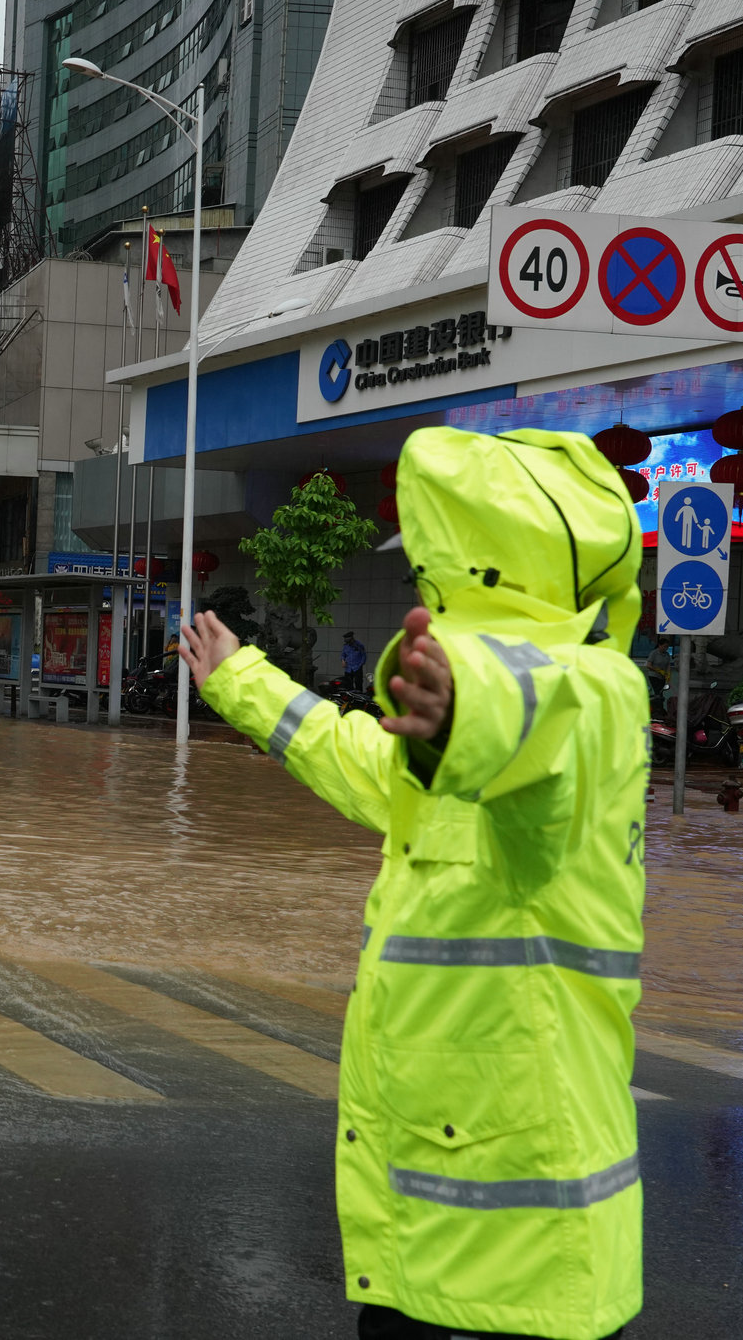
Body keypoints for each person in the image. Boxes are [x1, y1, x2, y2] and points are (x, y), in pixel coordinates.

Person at [182, 426, 645, 1340]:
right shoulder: (450, 753)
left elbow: (532, 699)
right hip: (430, 1247)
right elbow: (355, 755)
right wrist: (242, 682)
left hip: (519, 1274)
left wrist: (456, 706)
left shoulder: (597, 696)